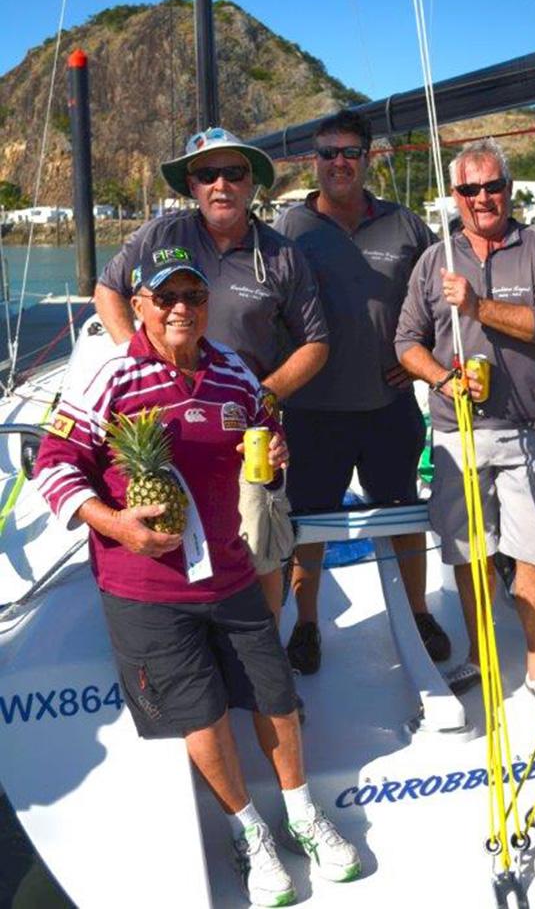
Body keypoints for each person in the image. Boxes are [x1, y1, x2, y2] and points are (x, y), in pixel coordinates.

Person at [35, 247, 360, 907]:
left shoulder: (233, 371)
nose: (182, 308)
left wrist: (274, 450)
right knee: (199, 710)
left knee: (276, 695)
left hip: (233, 572)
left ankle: (301, 814)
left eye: (194, 296)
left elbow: (264, 428)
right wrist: (118, 525)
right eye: (166, 298)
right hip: (146, 585)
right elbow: (53, 464)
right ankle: (247, 830)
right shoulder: (111, 376)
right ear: (141, 307)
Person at [94, 127, 329, 621]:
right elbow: (108, 291)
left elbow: (316, 343)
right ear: (192, 185)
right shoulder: (161, 235)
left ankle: (265, 660)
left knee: (259, 546)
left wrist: (261, 393)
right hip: (161, 421)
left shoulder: (283, 255)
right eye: (206, 174)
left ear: (251, 184)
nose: (220, 184)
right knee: (169, 542)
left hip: (244, 430)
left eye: (233, 173)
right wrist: (132, 359)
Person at [395, 137, 535, 720]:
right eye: (469, 189)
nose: (481, 198)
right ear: (455, 195)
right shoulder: (435, 260)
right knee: (470, 553)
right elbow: (406, 342)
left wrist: (476, 307)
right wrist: (441, 382)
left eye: (492, 186)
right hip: (459, 431)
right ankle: (480, 655)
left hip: (531, 427)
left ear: (509, 188)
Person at [274, 109, 451, 674]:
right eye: (328, 153)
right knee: (308, 524)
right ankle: (306, 623)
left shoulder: (406, 227)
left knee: (402, 513)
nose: (339, 163)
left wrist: (425, 361)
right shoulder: (287, 231)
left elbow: (439, 304)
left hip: (388, 406)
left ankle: (418, 611)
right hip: (311, 409)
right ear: (315, 161)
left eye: (350, 152)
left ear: (368, 157)